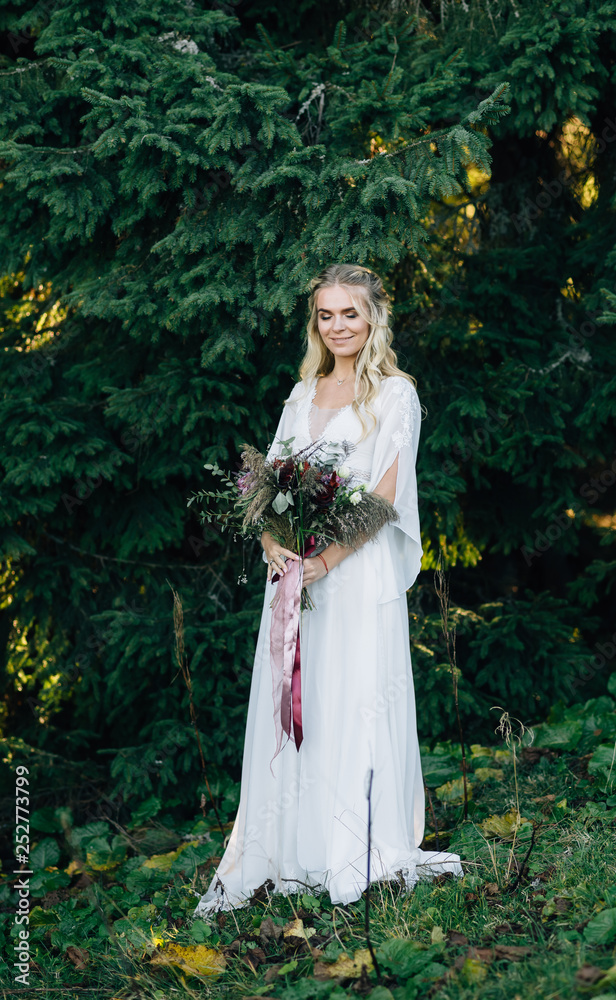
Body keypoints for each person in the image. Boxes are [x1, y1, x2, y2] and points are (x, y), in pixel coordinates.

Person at [192, 263, 463, 917]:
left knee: (352, 700)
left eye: (350, 313)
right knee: (298, 703)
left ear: (373, 318)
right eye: (325, 314)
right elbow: (266, 488)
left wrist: (329, 560)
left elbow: (385, 497)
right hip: (292, 577)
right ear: (315, 323)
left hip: (354, 572)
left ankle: (356, 844)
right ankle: (290, 846)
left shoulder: (396, 395)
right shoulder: (301, 392)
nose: (338, 325)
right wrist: (274, 548)